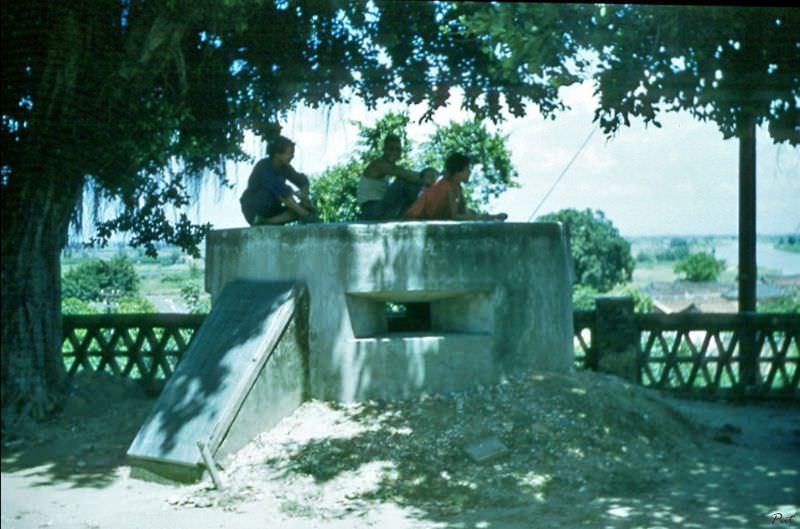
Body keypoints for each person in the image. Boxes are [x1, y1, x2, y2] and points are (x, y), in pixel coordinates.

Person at [405, 152, 508, 221]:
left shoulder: (457, 187)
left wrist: (491, 216)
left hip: (427, 219)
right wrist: (480, 217)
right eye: (467, 169)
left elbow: (464, 211)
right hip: (414, 219)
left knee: (472, 212)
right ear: (458, 172)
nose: (470, 172)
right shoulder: (446, 186)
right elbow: (454, 216)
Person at [240, 136, 316, 225]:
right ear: (277, 154)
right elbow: (280, 190)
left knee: (305, 208)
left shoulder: (286, 168)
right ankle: (259, 220)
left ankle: (266, 222)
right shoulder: (263, 166)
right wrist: (305, 214)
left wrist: (304, 194)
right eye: (289, 153)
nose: (292, 156)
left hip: (273, 208)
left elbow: (301, 180)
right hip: (255, 208)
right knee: (277, 191)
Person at [357, 134, 430, 221]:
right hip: (372, 210)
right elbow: (407, 175)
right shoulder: (379, 165)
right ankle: (430, 209)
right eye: (391, 149)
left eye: (398, 149)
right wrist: (432, 179)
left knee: (407, 199)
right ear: (384, 150)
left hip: (381, 210)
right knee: (402, 183)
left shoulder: (389, 169)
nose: (394, 152)